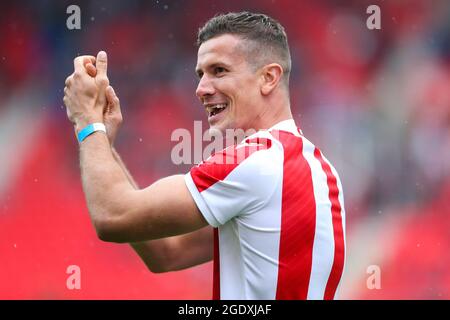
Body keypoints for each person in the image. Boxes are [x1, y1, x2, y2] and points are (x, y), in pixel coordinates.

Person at [63, 11, 346, 300]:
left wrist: (87, 121)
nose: (200, 89)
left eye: (219, 70)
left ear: (269, 78)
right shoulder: (320, 170)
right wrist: (105, 145)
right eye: (201, 74)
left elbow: (113, 216)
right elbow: (167, 252)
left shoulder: (255, 161)